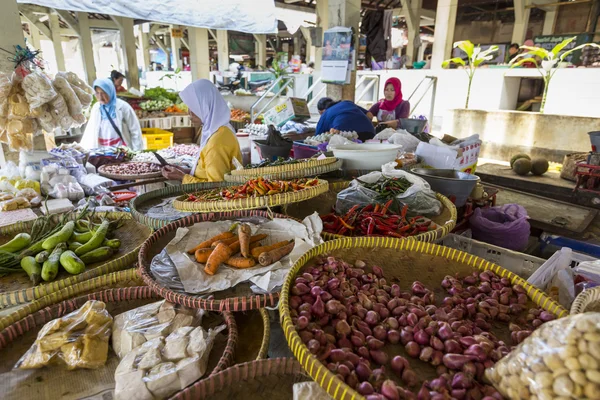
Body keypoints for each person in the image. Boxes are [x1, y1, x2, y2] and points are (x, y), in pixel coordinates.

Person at [161, 79, 242, 183]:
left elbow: (216, 187)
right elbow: (207, 170)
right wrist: (186, 172)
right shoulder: (219, 129)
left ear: (205, 106)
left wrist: (182, 177)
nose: (189, 113)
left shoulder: (217, 142)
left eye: (193, 108)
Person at [81, 78, 143, 150]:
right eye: (97, 93)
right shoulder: (96, 108)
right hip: (103, 153)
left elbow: (135, 131)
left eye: (103, 92)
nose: (100, 97)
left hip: (122, 152)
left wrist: (137, 151)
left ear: (110, 91)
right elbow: (90, 131)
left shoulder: (124, 107)